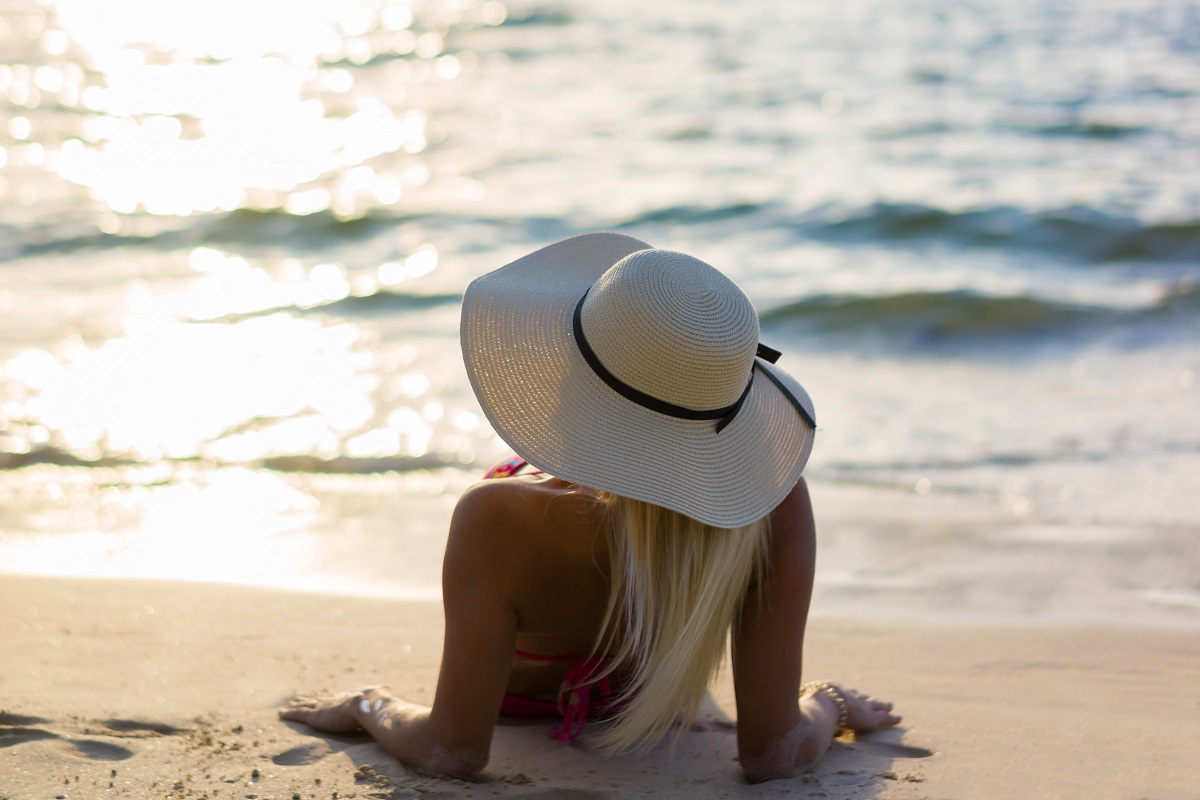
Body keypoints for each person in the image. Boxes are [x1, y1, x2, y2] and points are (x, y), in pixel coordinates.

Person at [280, 232, 901, 782]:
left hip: (521, 703)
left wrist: (367, 703)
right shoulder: (774, 502)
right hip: (657, 702)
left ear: (572, 365)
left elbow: (452, 751)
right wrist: (829, 704)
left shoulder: (498, 517)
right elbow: (774, 755)